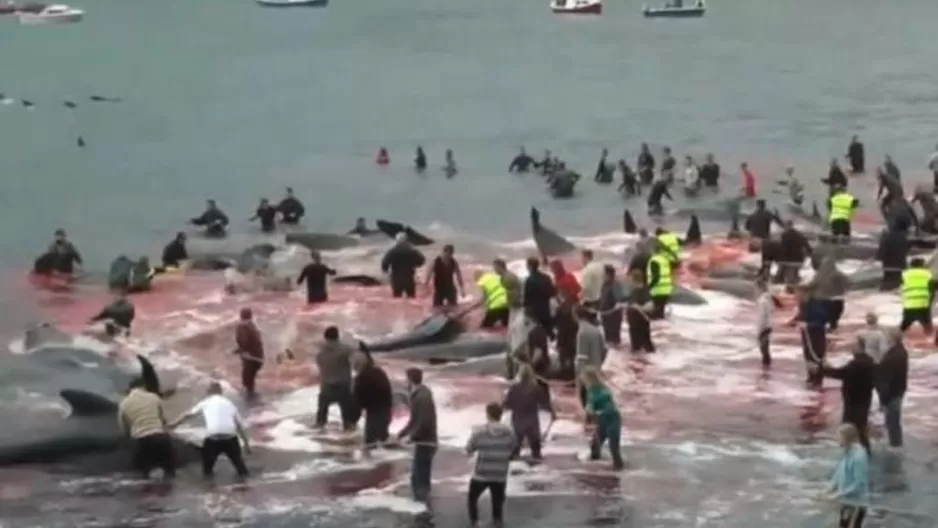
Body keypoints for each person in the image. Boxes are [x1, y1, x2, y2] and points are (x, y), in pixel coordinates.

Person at [167, 381, 250, 479]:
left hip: (213, 438)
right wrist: (246, 445)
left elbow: (188, 415)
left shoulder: (206, 402)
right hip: (230, 438)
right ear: (221, 392)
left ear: (209, 392)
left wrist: (173, 425)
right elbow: (239, 426)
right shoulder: (229, 403)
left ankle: (209, 488)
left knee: (207, 469)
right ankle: (245, 485)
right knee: (240, 467)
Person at [814, 337, 875, 451]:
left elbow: (841, 373)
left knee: (851, 429)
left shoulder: (857, 364)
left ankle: (852, 452)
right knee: (861, 428)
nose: (852, 348)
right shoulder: (869, 361)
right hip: (864, 400)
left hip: (853, 402)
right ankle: (865, 451)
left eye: (854, 346)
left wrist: (822, 369)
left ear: (860, 347)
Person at [465, 402, 516, 528]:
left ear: (488, 414)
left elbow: (469, 449)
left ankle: (474, 522)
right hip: (500, 474)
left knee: (472, 499)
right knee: (497, 505)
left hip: (482, 473)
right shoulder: (510, 432)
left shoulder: (480, 431)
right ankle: (497, 523)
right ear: (500, 415)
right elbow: (514, 449)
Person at [118, 378, 175, 479]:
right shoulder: (153, 397)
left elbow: (123, 426)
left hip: (143, 441)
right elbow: (164, 419)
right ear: (143, 386)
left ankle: (148, 491)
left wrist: (127, 437)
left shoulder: (124, 403)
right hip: (160, 437)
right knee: (170, 472)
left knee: (146, 474)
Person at [396, 367, 438, 503]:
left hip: (426, 442)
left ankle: (423, 509)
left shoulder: (421, 397)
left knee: (420, 478)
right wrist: (401, 434)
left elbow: (423, 421)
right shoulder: (420, 394)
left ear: (410, 380)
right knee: (418, 477)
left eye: (406, 379)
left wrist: (411, 437)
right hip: (424, 441)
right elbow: (414, 421)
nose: (404, 382)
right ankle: (423, 504)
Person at [503, 364, 554, 462]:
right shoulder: (535, 388)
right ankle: (536, 458)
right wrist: (552, 412)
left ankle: (514, 460)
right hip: (532, 418)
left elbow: (507, 404)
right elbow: (544, 402)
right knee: (535, 445)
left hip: (518, 418)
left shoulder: (514, 388)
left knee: (517, 442)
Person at [822, 424, 870, 528]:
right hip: (846, 500)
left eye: (839, 438)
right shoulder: (847, 451)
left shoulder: (859, 457)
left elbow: (858, 484)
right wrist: (830, 488)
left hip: (857, 503)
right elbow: (840, 471)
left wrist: (837, 494)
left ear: (846, 439)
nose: (837, 441)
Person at [581, 367, 624, 470]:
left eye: (585, 379)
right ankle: (594, 463)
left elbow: (591, 408)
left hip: (612, 418)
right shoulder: (599, 388)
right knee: (595, 444)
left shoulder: (597, 390)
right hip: (604, 419)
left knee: (613, 447)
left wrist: (588, 417)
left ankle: (618, 468)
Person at [352, 349, 393, 455]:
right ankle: (385, 466)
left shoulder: (361, 379)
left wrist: (354, 419)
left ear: (357, 365)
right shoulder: (379, 372)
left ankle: (374, 468)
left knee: (370, 444)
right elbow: (387, 390)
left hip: (375, 413)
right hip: (386, 410)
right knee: (382, 441)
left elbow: (359, 402)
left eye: (354, 365)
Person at [315, 326, 355, 430]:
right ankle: (348, 438)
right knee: (348, 420)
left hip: (326, 387)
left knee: (321, 419)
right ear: (337, 336)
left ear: (325, 337)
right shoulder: (345, 350)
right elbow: (357, 359)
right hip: (343, 387)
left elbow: (319, 364)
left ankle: (319, 437)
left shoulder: (320, 352)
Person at [789, 285, 827, 388]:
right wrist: (793, 321)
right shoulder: (803, 303)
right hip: (806, 334)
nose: (797, 296)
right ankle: (810, 376)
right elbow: (801, 314)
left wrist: (808, 325)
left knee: (816, 356)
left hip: (816, 335)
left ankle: (818, 379)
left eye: (798, 293)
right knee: (808, 356)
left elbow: (822, 321)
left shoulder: (816, 303)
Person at [875, 328, 908, 449]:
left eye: (888, 336)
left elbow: (887, 377)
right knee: (894, 420)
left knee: (892, 420)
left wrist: (883, 398)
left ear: (892, 338)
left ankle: (895, 445)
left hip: (892, 393)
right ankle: (896, 442)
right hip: (898, 390)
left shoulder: (893, 356)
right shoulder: (901, 351)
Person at [807, 256, 848, 331]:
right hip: (838, 298)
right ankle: (833, 325)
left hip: (824, 298)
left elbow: (813, 284)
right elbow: (848, 282)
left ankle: (824, 326)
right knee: (835, 314)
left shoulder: (820, 275)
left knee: (825, 313)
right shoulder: (838, 274)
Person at [380, 232, 426, 298]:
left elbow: (384, 263)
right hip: (409, 277)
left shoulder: (392, 251)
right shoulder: (412, 251)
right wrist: (414, 264)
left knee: (397, 298)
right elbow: (422, 260)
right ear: (406, 240)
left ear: (397, 241)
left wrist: (386, 272)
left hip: (396, 278)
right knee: (411, 298)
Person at [898, 257, 936, 333]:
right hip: (923, 303)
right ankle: (930, 338)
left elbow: (901, 287)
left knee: (906, 323)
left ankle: (898, 335)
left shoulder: (905, 274)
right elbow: (932, 288)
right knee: (927, 324)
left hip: (910, 303)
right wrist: (931, 300)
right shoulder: (927, 274)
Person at [233, 307, 264, 400]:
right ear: (251, 316)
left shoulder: (241, 326)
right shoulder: (252, 325)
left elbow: (243, 341)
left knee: (247, 376)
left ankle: (248, 396)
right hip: (259, 357)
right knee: (251, 377)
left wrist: (239, 350)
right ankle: (251, 392)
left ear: (240, 316)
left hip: (250, 357)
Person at [522, 257, 556, 338]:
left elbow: (527, 297)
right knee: (549, 330)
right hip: (546, 308)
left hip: (534, 311)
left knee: (536, 332)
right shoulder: (546, 277)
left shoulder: (529, 280)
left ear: (529, 266)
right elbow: (552, 292)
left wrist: (525, 309)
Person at [624, 269, 655, 353]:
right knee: (635, 348)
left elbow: (651, 306)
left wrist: (639, 307)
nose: (629, 282)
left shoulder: (645, 291)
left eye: (630, 279)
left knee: (647, 347)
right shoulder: (633, 291)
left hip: (641, 324)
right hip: (633, 325)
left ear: (634, 279)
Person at [776, 220, 812, 285]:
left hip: (786, 260)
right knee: (793, 276)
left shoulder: (784, 235)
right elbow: (807, 245)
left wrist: (778, 258)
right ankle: (795, 285)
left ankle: (786, 287)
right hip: (798, 260)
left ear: (787, 226)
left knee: (782, 277)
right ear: (792, 225)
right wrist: (810, 254)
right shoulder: (799, 235)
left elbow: (782, 248)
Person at [598, 265, 625, 345]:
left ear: (608, 274)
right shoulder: (605, 284)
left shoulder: (615, 285)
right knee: (608, 338)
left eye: (603, 273)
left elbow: (618, 298)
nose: (602, 275)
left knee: (614, 339)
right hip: (606, 315)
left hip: (613, 315)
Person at [646, 240, 673, 320]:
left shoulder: (654, 260)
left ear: (653, 250)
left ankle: (658, 328)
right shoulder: (665, 260)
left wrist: (649, 287)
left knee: (656, 313)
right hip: (666, 288)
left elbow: (656, 276)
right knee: (661, 311)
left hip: (658, 289)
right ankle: (663, 327)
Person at [756, 280, 774, 367]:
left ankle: (766, 362)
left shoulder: (762, 301)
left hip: (764, 325)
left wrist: (759, 328)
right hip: (769, 324)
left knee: (763, 345)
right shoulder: (768, 299)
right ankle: (767, 361)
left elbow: (762, 316)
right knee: (765, 344)